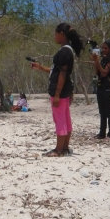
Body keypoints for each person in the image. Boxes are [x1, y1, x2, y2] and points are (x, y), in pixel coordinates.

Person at [31, 23, 83, 156]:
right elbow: (56, 71)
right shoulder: (68, 50)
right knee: (65, 119)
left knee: (60, 120)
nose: (54, 36)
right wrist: (40, 67)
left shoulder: (65, 51)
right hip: (65, 91)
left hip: (60, 91)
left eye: (56, 33)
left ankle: (58, 150)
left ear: (62, 34)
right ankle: (64, 148)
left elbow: (63, 74)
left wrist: (57, 94)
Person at [91, 40, 110, 139]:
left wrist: (97, 61)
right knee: (102, 111)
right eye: (102, 48)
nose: (103, 50)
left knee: (108, 111)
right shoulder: (103, 59)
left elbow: (104, 73)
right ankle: (102, 132)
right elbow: (97, 72)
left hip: (108, 87)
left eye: (105, 48)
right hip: (100, 86)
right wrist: (96, 61)